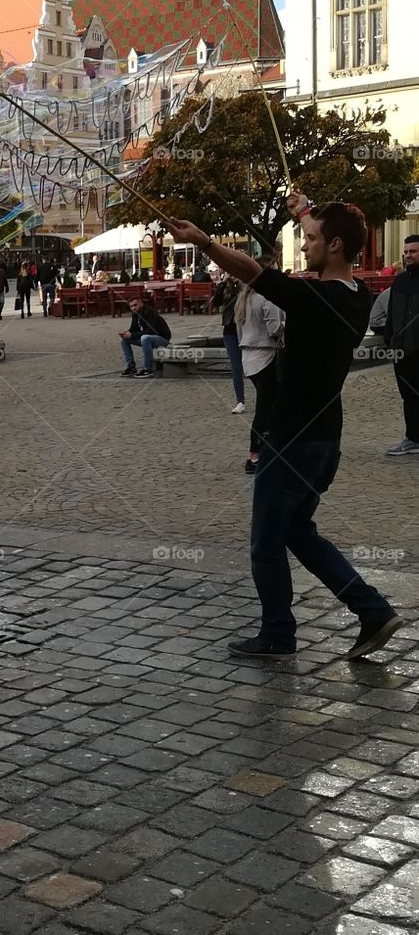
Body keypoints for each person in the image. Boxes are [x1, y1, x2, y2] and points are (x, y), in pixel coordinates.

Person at [168, 194, 404, 660]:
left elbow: (253, 273)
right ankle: (372, 610)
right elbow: (319, 241)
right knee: (298, 531)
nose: (305, 243)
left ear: (335, 246)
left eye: (312, 238)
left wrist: (204, 242)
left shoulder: (313, 298)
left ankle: (278, 633)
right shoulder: (360, 297)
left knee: (266, 542)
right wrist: (304, 210)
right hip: (324, 442)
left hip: (292, 438)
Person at [235, 259, 285, 474]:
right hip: (266, 354)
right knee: (266, 407)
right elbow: (275, 329)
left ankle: (266, 450)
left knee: (268, 406)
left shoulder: (244, 298)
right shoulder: (268, 298)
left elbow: (239, 331)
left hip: (248, 355)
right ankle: (255, 455)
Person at [383, 235, 419, 456]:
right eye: (406, 252)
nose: (408, 255)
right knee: (409, 396)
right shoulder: (400, 281)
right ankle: (413, 437)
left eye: (413, 251)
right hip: (402, 351)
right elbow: (391, 312)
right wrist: (390, 337)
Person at [118, 297, 171, 377]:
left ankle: (148, 369)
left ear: (141, 303)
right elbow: (134, 329)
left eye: (135, 305)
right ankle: (131, 367)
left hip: (161, 338)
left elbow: (151, 331)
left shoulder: (149, 312)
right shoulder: (135, 314)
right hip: (148, 338)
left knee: (145, 338)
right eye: (131, 306)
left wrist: (132, 335)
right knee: (124, 340)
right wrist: (127, 333)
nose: (133, 308)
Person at [218, 276, 246, 414]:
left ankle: (266, 397)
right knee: (236, 367)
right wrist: (222, 284)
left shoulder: (244, 284)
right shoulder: (225, 288)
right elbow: (216, 302)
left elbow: (242, 296)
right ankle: (240, 401)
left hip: (245, 330)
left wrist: (236, 283)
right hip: (229, 331)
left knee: (253, 368)